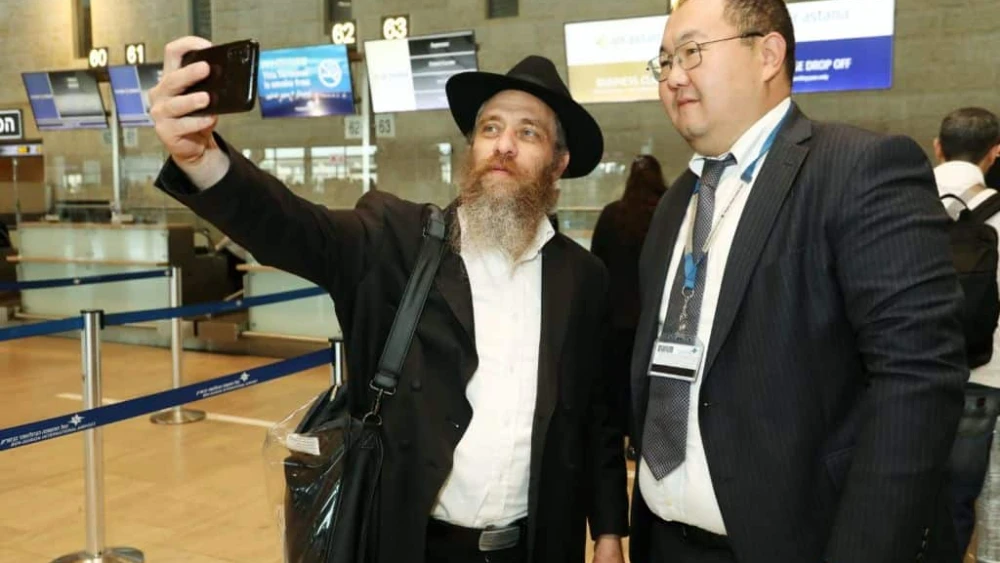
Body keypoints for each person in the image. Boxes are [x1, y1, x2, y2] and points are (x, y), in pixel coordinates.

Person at [148, 38, 627, 563]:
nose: (504, 145)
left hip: (534, 547)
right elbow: (294, 228)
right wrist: (202, 158)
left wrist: (608, 530)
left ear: (558, 164)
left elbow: (595, 414)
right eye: (490, 128)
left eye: (528, 132)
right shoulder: (396, 242)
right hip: (409, 545)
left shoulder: (582, 278)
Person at [628, 1, 968, 562]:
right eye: (664, 61)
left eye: (691, 52)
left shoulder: (859, 170)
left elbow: (917, 380)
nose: (673, 77)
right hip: (664, 541)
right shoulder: (675, 205)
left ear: (768, 55)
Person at [932, 107, 1000, 556]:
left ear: (937, 147)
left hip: (905, 373)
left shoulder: (898, 203)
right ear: (994, 153)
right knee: (961, 501)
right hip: (983, 377)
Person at [590, 155, 668, 453]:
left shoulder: (613, 215)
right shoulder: (669, 214)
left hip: (617, 319)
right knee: (651, 384)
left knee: (618, 384)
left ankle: (617, 443)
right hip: (657, 319)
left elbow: (597, 264)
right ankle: (642, 440)